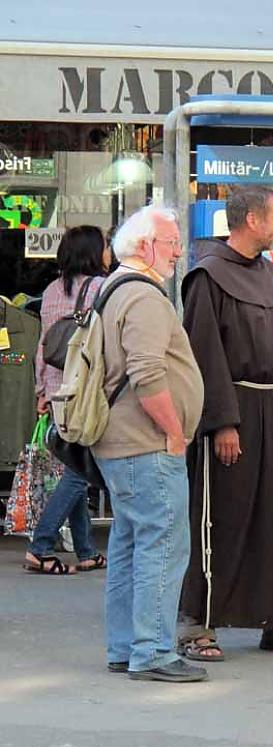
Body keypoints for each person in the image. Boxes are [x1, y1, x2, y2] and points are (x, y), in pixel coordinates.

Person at [178, 186, 273, 659]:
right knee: (223, 517)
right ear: (252, 221)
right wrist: (221, 422)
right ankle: (199, 625)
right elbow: (205, 354)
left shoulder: (269, 274)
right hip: (233, 412)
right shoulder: (207, 276)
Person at [93, 205, 206, 682]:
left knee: (130, 544)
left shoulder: (113, 289)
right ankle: (154, 651)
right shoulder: (143, 297)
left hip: (123, 442)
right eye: (171, 241)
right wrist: (175, 432)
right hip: (147, 443)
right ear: (144, 246)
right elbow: (146, 374)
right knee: (162, 545)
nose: (179, 252)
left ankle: (126, 645)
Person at [24, 225, 108, 576]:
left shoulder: (51, 290)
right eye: (105, 245)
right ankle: (40, 545)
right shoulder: (103, 289)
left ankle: (86, 550)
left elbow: (44, 346)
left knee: (76, 462)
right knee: (79, 470)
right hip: (86, 390)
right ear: (93, 251)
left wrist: (42, 391)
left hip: (59, 391)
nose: (109, 252)